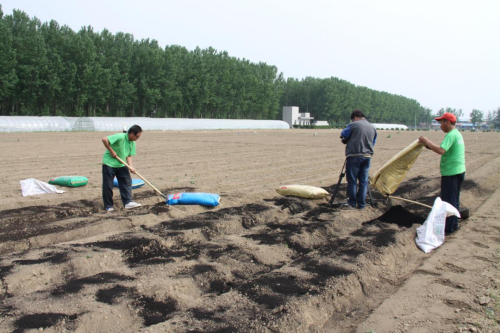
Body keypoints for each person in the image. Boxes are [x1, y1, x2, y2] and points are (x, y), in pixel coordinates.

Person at [418, 112, 465, 234]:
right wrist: (427, 145)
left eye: (441, 123)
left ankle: (449, 228)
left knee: (449, 201)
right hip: (458, 171)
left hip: (451, 173)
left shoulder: (451, 135)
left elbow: (441, 150)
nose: (440, 126)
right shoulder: (457, 134)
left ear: (448, 123)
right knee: (454, 200)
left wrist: (427, 141)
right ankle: (453, 225)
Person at [340, 109, 377, 209]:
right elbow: (373, 142)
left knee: (352, 181)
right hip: (367, 157)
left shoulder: (353, 125)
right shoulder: (372, 128)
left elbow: (343, 134)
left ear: (355, 118)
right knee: (363, 181)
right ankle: (361, 204)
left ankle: (352, 203)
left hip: (354, 156)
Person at [102, 125, 143, 211]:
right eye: (137, 136)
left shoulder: (132, 143)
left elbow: (128, 156)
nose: (138, 138)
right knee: (108, 185)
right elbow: (105, 139)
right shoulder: (120, 136)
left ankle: (128, 202)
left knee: (127, 182)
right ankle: (108, 206)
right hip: (109, 163)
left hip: (121, 164)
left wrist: (131, 167)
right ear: (132, 133)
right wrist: (111, 151)